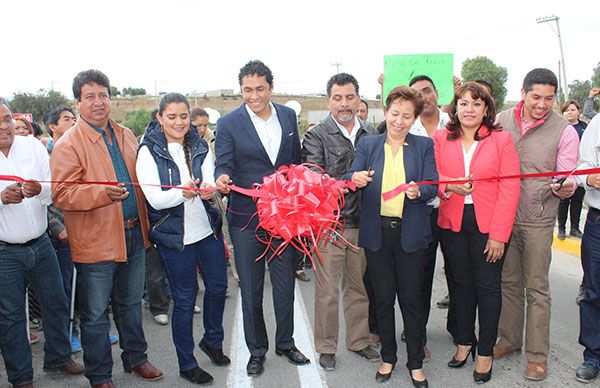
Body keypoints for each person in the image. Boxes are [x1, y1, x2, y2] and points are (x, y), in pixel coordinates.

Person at [51, 69, 163, 388]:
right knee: (96, 314)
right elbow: (62, 192)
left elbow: (143, 182)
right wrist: (100, 193)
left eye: (103, 95)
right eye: (90, 97)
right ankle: (99, 375)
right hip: (95, 241)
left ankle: (136, 359)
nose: (98, 102)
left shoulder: (126, 134)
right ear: (78, 102)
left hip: (132, 234)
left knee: (129, 306)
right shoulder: (69, 144)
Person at [214, 60, 309, 376]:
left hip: (283, 217)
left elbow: (294, 162)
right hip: (246, 218)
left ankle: (286, 343)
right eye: (247, 90)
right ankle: (257, 350)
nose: (253, 96)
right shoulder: (228, 123)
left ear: (271, 87)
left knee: (285, 285)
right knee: (252, 289)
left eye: (259, 89)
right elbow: (223, 163)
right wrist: (223, 177)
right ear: (240, 90)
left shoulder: (288, 116)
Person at [347, 86, 437, 387]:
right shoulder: (369, 145)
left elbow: (432, 185)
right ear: (386, 112)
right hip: (378, 235)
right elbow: (351, 176)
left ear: (414, 118)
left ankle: (415, 362)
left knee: (412, 301)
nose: (399, 121)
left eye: (406, 116)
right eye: (395, 114)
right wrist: (355, 179)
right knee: (383, 300)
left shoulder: (423, 146)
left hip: (410, 235)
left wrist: (418, 191)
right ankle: (388, 357)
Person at [137, 93, 229, 385]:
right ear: (159, 118)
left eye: (184, 116)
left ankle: (212, 340)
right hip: (175, 239)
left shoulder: (199, 143)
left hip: (206, 231)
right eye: (172, 116)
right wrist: (183, 192)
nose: (179, 122)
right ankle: (186, 363)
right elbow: (154, 198)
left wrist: (209, 187)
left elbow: (208, 176)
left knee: (218, 287)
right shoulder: (148, 151)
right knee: (186, 299)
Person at [494, 68, 579, 381]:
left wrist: (564, 186)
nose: (543, 104)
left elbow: (567, 175)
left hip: (538, 220)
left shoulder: (564, 131)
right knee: (508, 283)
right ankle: (509, 340)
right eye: (536, 97)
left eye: (549, 98)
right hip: (503, 218)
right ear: (523, 93)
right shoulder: (501, 121)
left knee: (537, 289)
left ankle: (537, 356)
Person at [434, 82, 520, 383]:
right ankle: (464, 342)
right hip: (453, 222)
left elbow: (510, 188)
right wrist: (448, 186)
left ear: (486, 110)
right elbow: (431, 175)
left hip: (489, 225)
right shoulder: (441, 138)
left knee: (487, 287)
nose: (469, 109)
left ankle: (484, 353)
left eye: (476, 104)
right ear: (455, 108)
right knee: (460, 285)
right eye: (464, 103)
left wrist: (499, 234)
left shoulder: (502, 140)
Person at [0, 97, 85, 388]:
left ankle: (59, 357)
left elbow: (53, 193)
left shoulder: (33, 146)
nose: (4, 126)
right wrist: (0, 199)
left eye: (7, 119)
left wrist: (39, 191)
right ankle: (21, 378)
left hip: (41, 243)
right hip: (4, 252)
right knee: (11, 318)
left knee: (57, 303)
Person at [301, 73, 379, 371]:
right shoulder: (317, 135)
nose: (344, 104)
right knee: (328, 290)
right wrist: (349, 180)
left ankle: (359, 341)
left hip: (364, 224)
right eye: (338, 98)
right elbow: (314, 180)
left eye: (350, 97)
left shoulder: (371, 133)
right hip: (330, 225)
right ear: (328, 101)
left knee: (358, 288)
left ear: (359, 99)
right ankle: (326, 346)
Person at [574, 113, 600, 383]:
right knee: (594, 292)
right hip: (598, 220)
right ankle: (593, 356)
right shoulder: (598, 123)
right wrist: (590, 178)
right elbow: (582, 166)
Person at [558, 99, 587, 240]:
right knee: (563, 200)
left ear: (578, 112)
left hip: (580, 169)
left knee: (577, 200)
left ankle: (574, 228)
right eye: (566, 110)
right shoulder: (560, 129)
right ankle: (561, 228)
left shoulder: (585, 128)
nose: (570, 112)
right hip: (564, 171)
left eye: (573, 110)